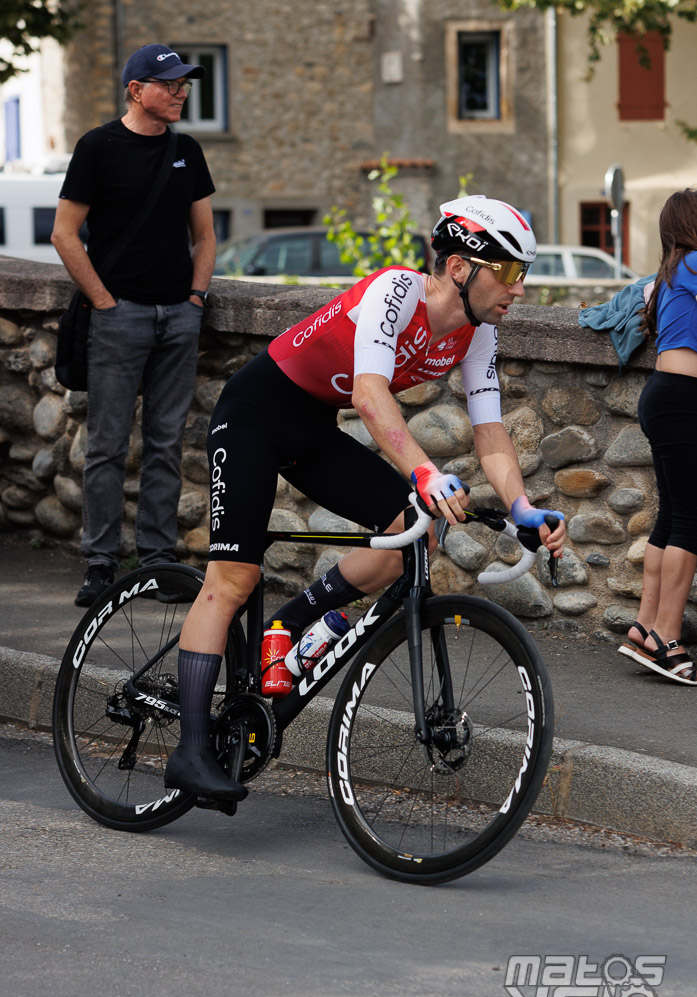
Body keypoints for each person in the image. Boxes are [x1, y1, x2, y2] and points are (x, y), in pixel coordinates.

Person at [163, 194, 567, 804]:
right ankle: (190, 750)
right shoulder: (395, 292)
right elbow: (373, 396)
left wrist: (522, 509)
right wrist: (426, 473)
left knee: (411, 534)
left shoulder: (476, 334)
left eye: (523, 274)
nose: (519, 289)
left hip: (312, 429)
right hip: (255, 413)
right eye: (508, 272)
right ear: (459, 267)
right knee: (232, 577)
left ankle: (289, 626)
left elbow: (490, 432)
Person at [51, 44, 217, 607]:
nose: (180, 92)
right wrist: (103, 302)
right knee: (107, 444)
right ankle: (100, 563)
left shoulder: (186, 150)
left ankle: (156, 560)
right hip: (118, 316)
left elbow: (206, 235)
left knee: (166, 443)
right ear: (135, 88)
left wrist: (196, 297)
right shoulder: (97, 147)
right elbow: (64, 233)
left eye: (184, 84)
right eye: (168, 83)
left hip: (179, 316)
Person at [619, 188, 697, 685]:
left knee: (671, 517)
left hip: (664, 397)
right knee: (692, 521)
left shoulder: (670, 272)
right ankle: (669, 641)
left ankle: (645, 628)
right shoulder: (693, 264)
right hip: (684, 400)